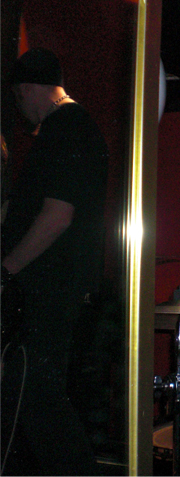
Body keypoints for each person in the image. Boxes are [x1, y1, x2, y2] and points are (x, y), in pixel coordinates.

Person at [1, 47, 108, 475]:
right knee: (34, 399)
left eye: (17, 97)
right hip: (56, 288)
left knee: (37, 399)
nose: (19, 107)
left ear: (26, 89)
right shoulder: (70, 127)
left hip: (49, 290)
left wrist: (7, 268)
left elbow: (58, 216)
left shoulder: (66, 127)